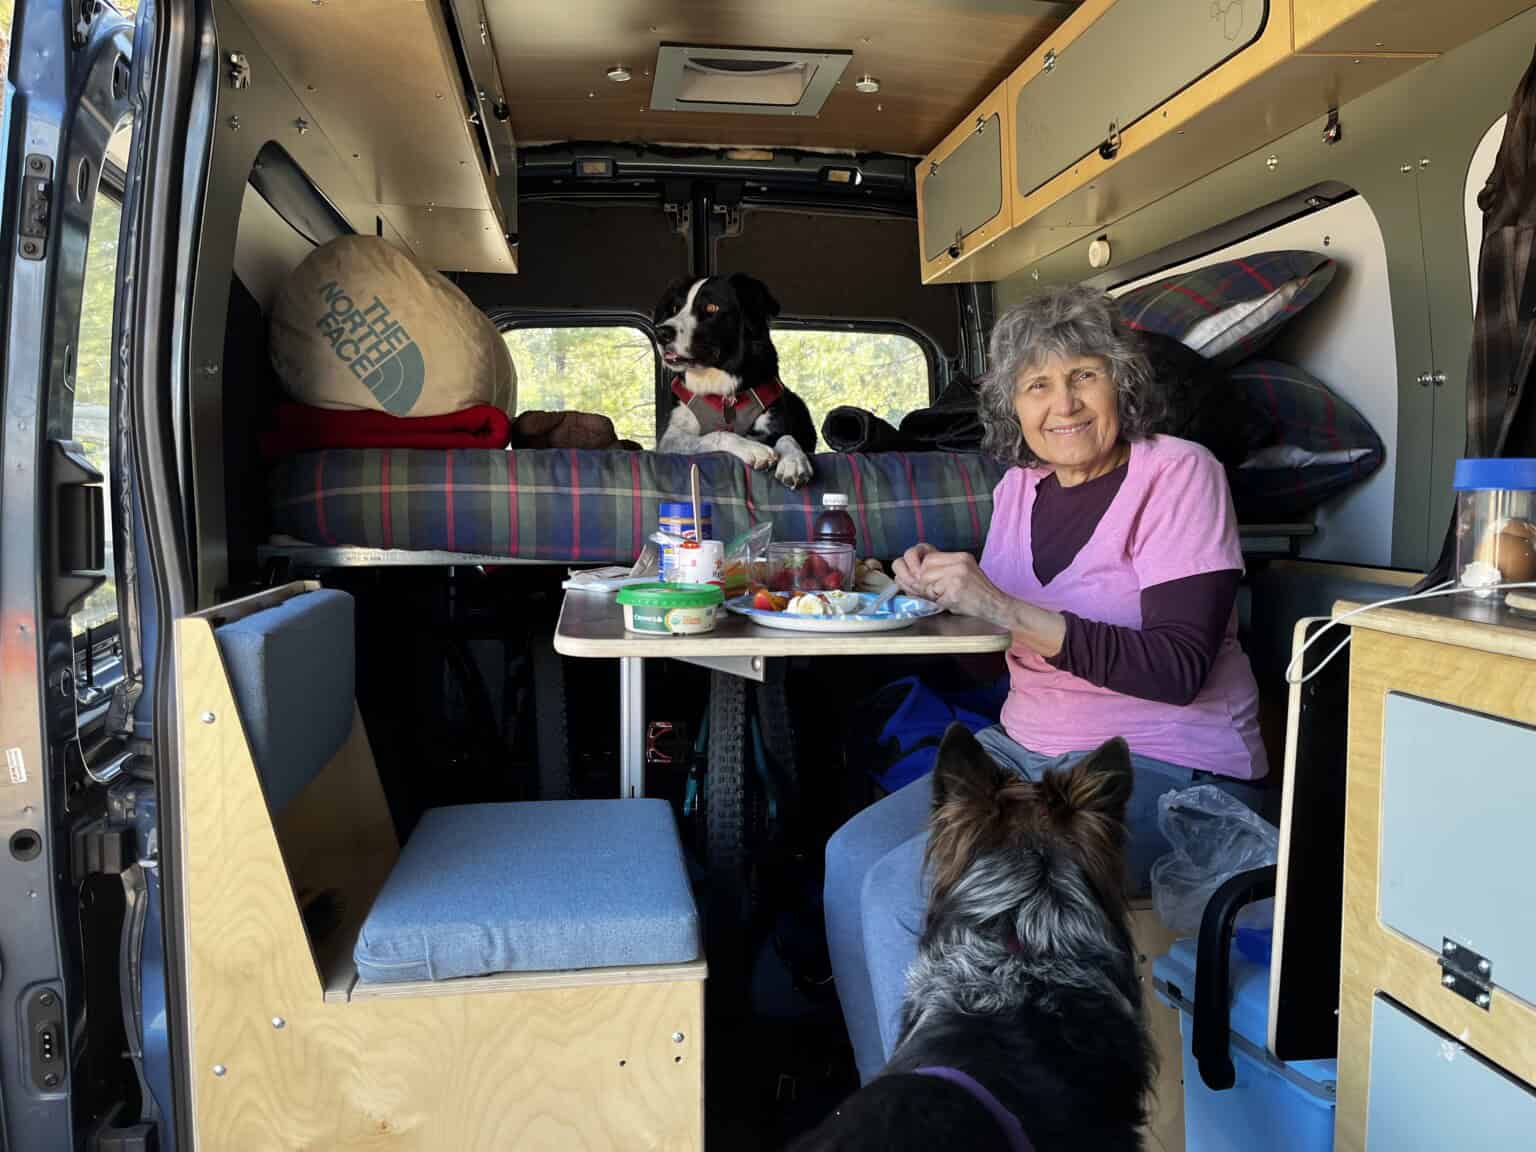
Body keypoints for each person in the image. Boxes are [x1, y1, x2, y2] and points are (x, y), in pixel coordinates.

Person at [824, 285, 1269, 1082]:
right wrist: (930, 600)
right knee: (850, 856)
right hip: (1025, 754)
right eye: (1037, 385)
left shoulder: (1180, 475)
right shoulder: (1017, 491)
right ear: (1013, 407)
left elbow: (1176, 668)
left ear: (1121, 383)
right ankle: (887, 1101)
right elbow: (991, 655)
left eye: (1083, 376)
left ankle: (945, 1126)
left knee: (901, 892)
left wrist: (999, 605)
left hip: (1165, 772)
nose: (1062, 404)